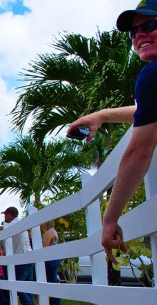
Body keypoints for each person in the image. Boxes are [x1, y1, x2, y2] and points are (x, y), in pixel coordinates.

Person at [67, 1, 157, 263]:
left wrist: (110, 218)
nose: (139, 35)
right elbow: (148, 111)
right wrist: (104, 115)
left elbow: (140, 151)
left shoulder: (151, 76)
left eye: (150, 25)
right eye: (133, 32)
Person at [41, 221, 62, 305]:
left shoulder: (48, 232)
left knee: (52, 280)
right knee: (53, 279)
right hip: (54, 258)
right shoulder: (53, 231)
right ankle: (54, 302)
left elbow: (45, 246)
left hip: (50, 258)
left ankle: (56, 303)